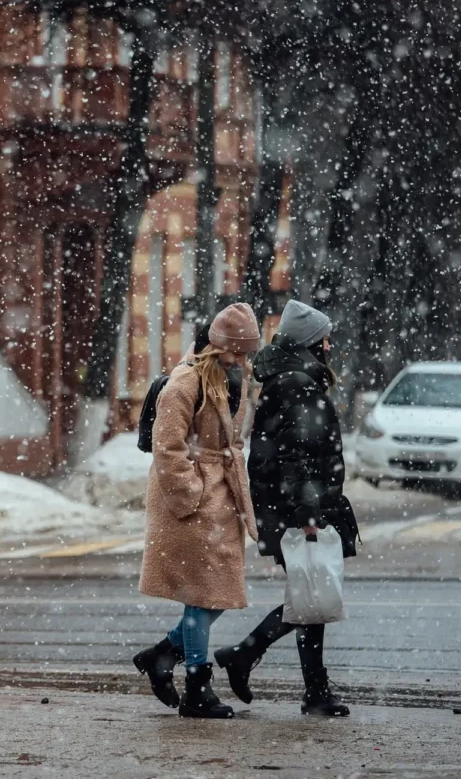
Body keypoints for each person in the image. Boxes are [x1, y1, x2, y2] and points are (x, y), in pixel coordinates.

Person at [213, 299, 356, 717]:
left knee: (308, 596)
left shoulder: (292, 377)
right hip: (296, 507)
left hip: (290, 504)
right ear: (310, 341)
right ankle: (251, 659)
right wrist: (307, 513)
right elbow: (296, 454)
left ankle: (265, 665)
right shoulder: (296, 382)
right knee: (310, 597)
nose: (329, 345)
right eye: (324, 338)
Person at [133, 303, 261, 718]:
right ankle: (197, 688)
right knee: (201, 595)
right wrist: (191, 492)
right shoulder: (185, 382)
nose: (241, 360)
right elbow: (167, 447)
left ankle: (163, 654)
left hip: (220, 497)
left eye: (246, 353)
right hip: (193, 503)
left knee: (217, 593)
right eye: (235, 351)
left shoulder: (230, 377)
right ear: (217, 346)